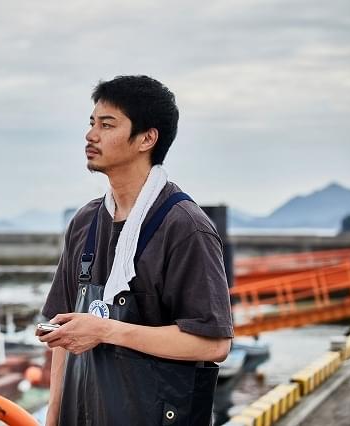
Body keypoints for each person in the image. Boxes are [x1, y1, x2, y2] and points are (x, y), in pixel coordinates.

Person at [38, 75, 234, 426]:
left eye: (107, 124)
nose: (91, 135)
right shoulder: (85, 221)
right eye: (92, 122)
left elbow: (213, 343)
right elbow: (63, 337)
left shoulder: (185, 226)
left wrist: (105, 330)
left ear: (147, 138)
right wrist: (52, 418)